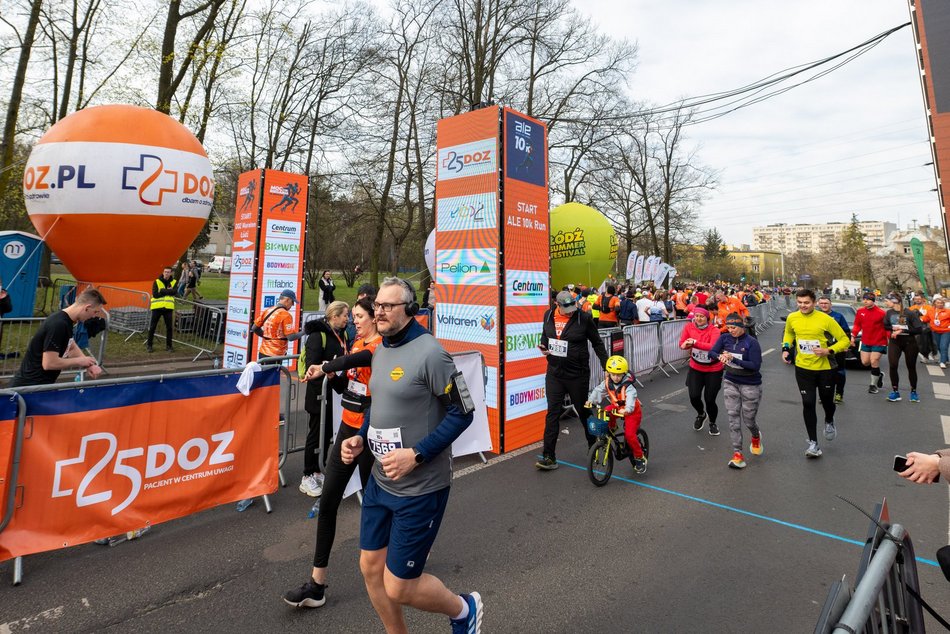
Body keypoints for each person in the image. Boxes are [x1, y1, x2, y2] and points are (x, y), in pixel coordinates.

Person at [339, 277, 482, 634]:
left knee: (399, 585)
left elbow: (463, 412)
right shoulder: (381, 348)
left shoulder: (432, 353)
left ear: (410, 310)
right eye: (377, 306)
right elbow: (380, 401)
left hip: (420, 488)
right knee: (371, 567)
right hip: (381, 482)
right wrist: (360, 437)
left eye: (388, 306)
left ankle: (464, 610)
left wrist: (416, 455)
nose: (379, 312)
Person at [284, 297, 379, 609]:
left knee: (378, 505)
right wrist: (332, 377)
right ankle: (317, 584)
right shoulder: (355, 342)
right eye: (353, 316)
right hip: (346, 432)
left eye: (361, 316)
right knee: (327, 505)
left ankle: (402, 557)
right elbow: (346, 388)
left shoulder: (380, 346)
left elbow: (360, 362)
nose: (356, 321)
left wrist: (328, 365)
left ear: (375, 318)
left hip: (369, 436)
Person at [536, 290, 609, 470]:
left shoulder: (583, 318)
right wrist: (543, 346)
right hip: (555, 372)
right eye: (566, 308)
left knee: (583, 412)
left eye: (572, 307)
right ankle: (549, 456)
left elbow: (597, 343)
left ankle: (594, 445)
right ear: (556, 305)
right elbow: (545, 335)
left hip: (577, 374)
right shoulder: (548, 316)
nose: (570, 311)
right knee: (552, 413)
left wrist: (607, 365)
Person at [782, 289, 850, 459]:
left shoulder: (826, 319)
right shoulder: (792, 317)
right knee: (808, 403)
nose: (803, 306)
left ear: (814, 303)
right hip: (803, 367)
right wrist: (785, 348)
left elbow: (845, 340)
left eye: (806, 303)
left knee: (827, 402)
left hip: (825, 369)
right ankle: (813, 443)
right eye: (800, 302)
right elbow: (789, 332)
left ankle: (829, 420)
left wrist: (828, 350)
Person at [300, 301, 350, 497]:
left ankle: (319, 470)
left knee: (328, 433)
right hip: (318, 394)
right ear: (334, 316)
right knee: (315, 434)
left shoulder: (343, 334)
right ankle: (307, 475)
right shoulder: (317, 336)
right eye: (345, 315)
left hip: (333, 392)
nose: (348, 318)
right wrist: (328, 367)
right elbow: (313, 366)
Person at [9, 288, 106, 387]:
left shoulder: (67, 321)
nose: (94, 316)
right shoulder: (58, 324)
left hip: (40, 385)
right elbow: (49, 364)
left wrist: (88, 364)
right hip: (29, 387)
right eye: (95, 312)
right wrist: (79, 361)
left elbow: (71, 346)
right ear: (87, 307)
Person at [709, 313, 763, 469]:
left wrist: (733, 359)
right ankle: (737, 454)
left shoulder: (752, 342)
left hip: (750, 384)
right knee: (733, 418)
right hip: (731, 381)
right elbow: (711, 353)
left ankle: (755, 435)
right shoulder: (724, 338)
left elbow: (755, 366)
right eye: (729, 327)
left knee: (748, 420)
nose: (731, 330)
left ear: (741, 327)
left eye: (734, 327)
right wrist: (720, 356)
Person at [586, 355, 647, 474]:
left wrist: (627, 409)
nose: (616, 377)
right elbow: (598, 390)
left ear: (624, 373)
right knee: (607, 410)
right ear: (609, 373)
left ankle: (640, 457)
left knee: (630, 435)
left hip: (632, 412)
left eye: (618, 375)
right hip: (618, 408)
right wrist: (591, 401)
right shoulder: (608, 382)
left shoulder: (629, 386)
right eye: (613, 374)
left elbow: (631, 398)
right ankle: (613, 427)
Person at [679, 306, 724, 436]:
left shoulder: (714, 330)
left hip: (713, 369)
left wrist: (694, 342)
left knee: (710, 399)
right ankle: (701, 414)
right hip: (696, 367)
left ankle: (712, 423)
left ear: (707, 318)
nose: (698, 319)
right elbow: (682, 342)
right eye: (696, 316)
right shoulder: (689, 327)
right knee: (694, 396)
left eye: (702, 316)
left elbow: (713, 347)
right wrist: (684, 345)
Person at [882, 292, 923, 403]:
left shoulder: (909, 313)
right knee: (893, 365)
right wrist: (894, 328)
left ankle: (913, 392)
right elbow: (885, 325)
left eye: (887, 300)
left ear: (895, 301)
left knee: (911, 366)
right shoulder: (889, 313)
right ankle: (895, 392)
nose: (885, 302)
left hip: (909, 342)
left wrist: (903, 330)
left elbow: (919, 329)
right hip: (895, 342)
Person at [816, 296, 851, 404]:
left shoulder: (838, 316)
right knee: (823, 373)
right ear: (818, 304)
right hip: (820, 349)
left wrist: (845, 345)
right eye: (821, 303)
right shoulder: (815, 316)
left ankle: (839, 394)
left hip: (836, 348)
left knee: (839, 372)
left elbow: (846, 332)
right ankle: (824, 394)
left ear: (830, 304)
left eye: (826, 303)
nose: (823, 305)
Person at [852, 292, 888, 393]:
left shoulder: (881, 313)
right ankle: (879, 374)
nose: (865, 301)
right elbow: (857, 325)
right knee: (865, 362)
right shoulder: (860, 311)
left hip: (879, 341)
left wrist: (891, 338)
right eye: (864, 299)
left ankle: (873, 386)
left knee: (874, 361)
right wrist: (853, 336)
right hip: (866, 341)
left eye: (868, 299)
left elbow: (887, 328)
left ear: (873, 301)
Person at [251, 289, 302, 358]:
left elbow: (254, 328)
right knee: (274, 369)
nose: (292, 305)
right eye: (292, 302)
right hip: (276, 354)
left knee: (264, 369)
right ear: (288, 300)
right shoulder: (286, 315)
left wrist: (268, 337)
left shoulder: (268, 310)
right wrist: (305, 331)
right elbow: (291, 337)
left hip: (263, 352)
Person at [146, 266, 177, 353]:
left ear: (171, 273)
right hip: (157, 308)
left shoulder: (174, 282)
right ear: (163, 272)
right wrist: (168, 292)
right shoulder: (157, 281)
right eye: (165, 272)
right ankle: (149, 345)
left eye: (168, 272)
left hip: (168, 308)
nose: (167, 273)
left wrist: (163, 291)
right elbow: (155, 295)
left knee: (169, 328)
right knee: (152, 327)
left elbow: (175, 292)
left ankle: (169, 346)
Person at [921, 296, 950, 369]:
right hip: (935, 331)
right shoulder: (931, 311)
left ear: (943, 304)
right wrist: (917, 318)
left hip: (946, 331)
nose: (940, 304)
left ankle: (942, 362)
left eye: (941, 303)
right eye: (938, 303)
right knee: (939, 346)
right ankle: (946, 359)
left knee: (944, 346)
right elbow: (925, 319)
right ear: (934, 303)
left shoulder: (947, 311)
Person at [909, 294, 935, 362]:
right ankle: (924, 356)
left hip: (928, 327)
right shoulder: (911, 308)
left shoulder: (928, 307)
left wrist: (923, 319)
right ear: (914, 300)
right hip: (917, 328)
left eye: (919, 299)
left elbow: (932, 316)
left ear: (923, 299)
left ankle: (932, 354)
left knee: (930, 342)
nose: (917, 300)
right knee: (919, 343)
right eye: (916, 299)